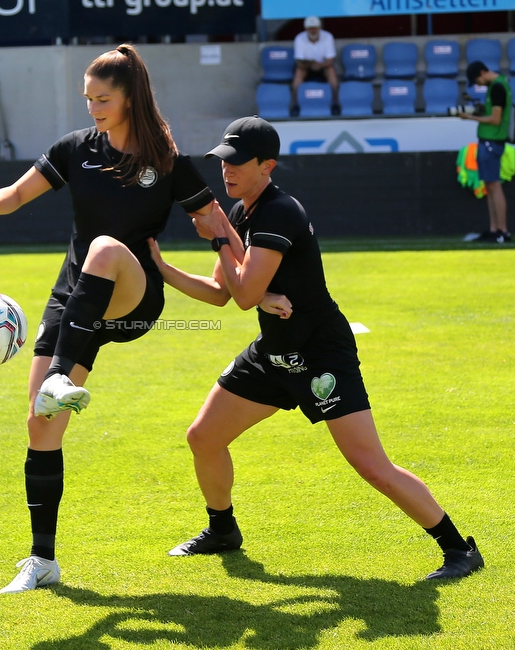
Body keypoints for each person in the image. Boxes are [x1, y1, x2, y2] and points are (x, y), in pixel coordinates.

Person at [148, 116, 485, 581]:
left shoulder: (279, 212)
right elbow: (223, 292)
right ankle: (222, 530)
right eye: (222, 162)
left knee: (370, 465)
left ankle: (459, 549)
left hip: (320, 354)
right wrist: (161, 266)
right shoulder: (245, 212)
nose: (226, 171)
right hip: (275, 352)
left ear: (268, 166)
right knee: (203, 437)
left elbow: (243, 293)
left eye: (237, 163)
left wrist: (222, 241)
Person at [0, 44, 215, 594]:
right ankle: (42, 560)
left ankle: (60, 375)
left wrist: (253, 284)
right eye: (88, 99)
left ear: (130, 97)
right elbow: (20, 193)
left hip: (134, 295)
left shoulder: (167, 160)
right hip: (73, 301)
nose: (93, 108)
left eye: (103, 98)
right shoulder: (75, 149)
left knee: (102, 249)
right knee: (40, 425)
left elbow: (216, 224)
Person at [459, 61, 513, 244]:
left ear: (483, 72)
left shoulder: (497, 87)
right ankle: (494, 229)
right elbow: (493, 113)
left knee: (494, 185)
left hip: (492, 140)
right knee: (490, 186)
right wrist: (480, 110)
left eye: (477, 79)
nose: (478, 84)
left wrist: (470, 117)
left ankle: (502, 230)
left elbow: (496, 120)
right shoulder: (497, 85)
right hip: (489, 140)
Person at [290, 16, 340, 117]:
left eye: (315, 28)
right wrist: (312, 64)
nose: (313, 30)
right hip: (306, 67)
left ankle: (335, 103)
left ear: (319, 28)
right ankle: (295, 104)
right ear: (306, 29)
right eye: (310, 28)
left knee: (331, 71)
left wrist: (319, 65)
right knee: (299, 73)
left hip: (323, 66)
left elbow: (330, 60)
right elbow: (299, 62)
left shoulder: (328, 37)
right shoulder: (299, 38)